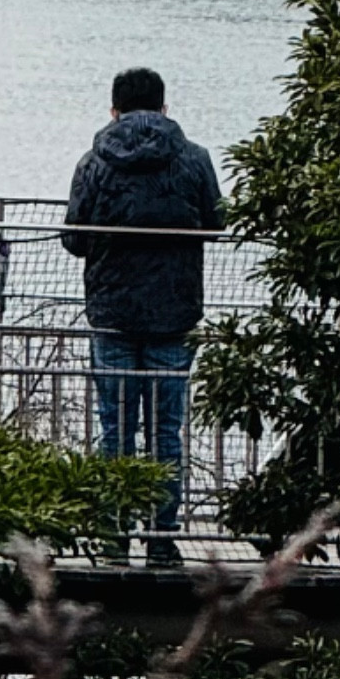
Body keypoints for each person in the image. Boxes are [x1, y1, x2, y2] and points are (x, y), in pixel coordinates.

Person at [61, 67, 223, 561]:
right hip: (174, 313)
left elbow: (73, 239)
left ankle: (113, 533)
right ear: (164, 108)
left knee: (116, 427)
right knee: (166, 429)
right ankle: (161, 536)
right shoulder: (193, 160)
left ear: (114, 111)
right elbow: (215, 223)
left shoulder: (94, 163)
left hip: (111, 312)